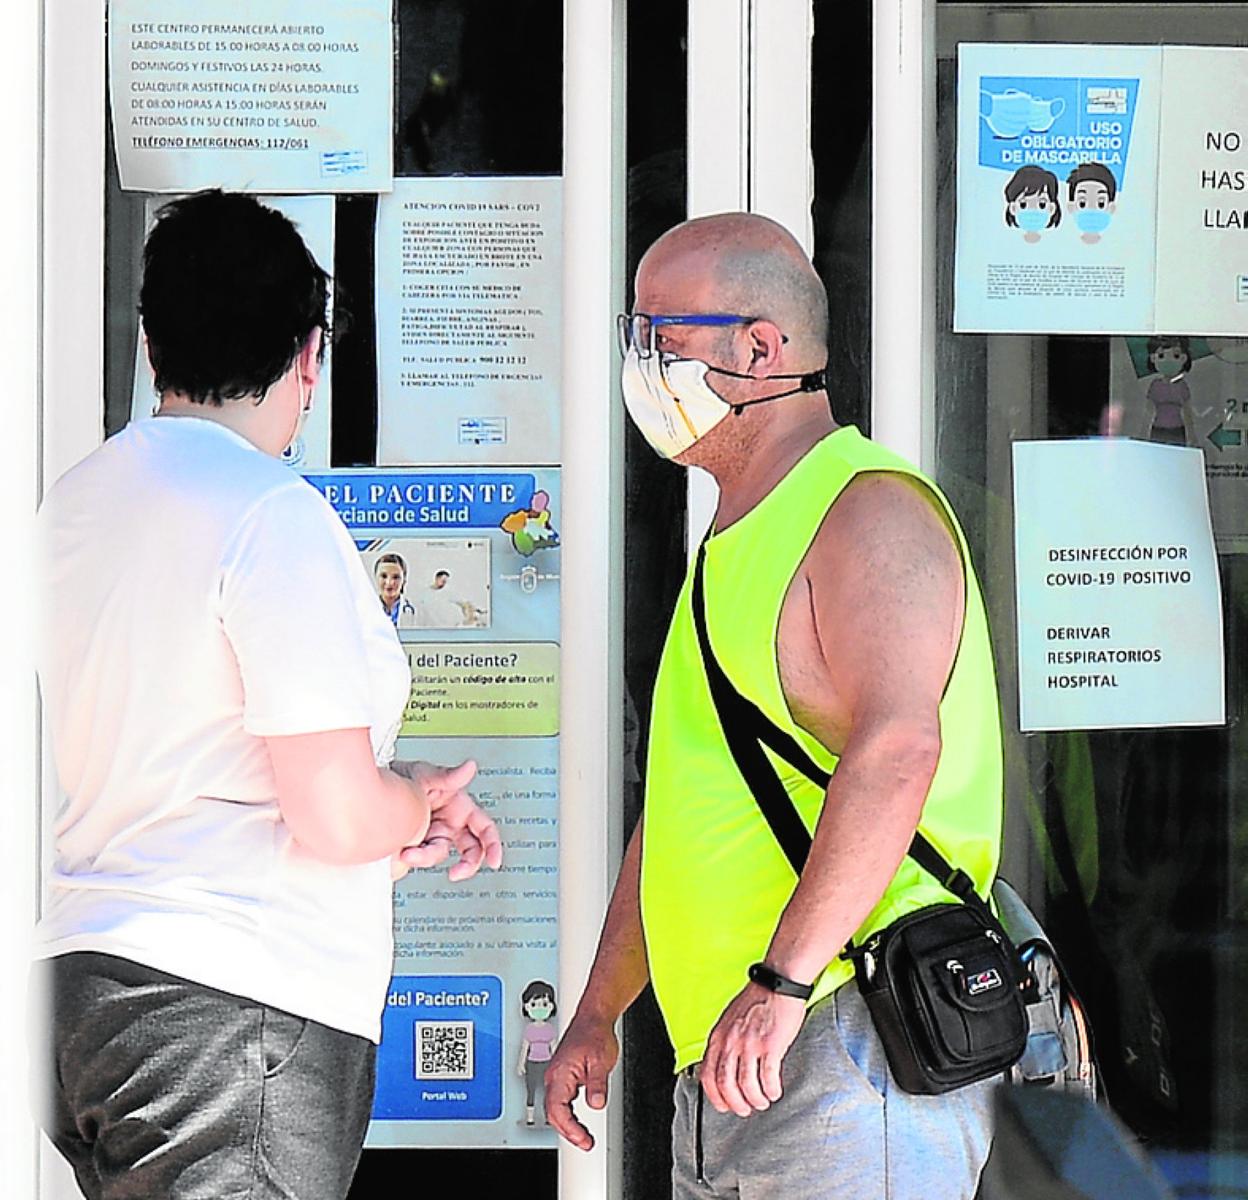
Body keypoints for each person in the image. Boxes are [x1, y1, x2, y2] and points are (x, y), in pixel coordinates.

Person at [31, 190, 502, 1200]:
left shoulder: (74, 504)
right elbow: (334, 817)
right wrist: (411, 801)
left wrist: (393, 789)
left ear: (151, 346)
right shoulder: (269, 515)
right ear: (308, 356)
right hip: (229, 1012)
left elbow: (190, 745)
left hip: (91, 991)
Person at [545, 213, 1004, 1198]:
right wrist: (599, 1010)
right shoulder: (736, 541)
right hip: (747, 1055)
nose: (641, 363)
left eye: (660, 337)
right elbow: (683, 819)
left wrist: (783, 980)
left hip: (846, 1042)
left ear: (759, 348)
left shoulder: (868, 509)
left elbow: (898, 749)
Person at [375, 551, 418, 627]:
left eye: (396, 577)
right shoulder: (366, 610)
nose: (389, 582)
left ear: (404, 581)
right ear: (376, 578)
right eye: (384, 576)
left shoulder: (416, 612)